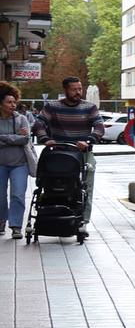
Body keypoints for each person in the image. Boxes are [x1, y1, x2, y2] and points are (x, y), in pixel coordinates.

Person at [33, 76, 104, 228]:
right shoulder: (52, 107)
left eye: (80, 89)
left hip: (82, 151)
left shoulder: (89, 107)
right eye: (74, 89)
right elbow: (38, 123)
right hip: (57, 152)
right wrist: (45, 139)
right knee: (51, 180)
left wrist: (89, 141)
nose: (78, 92)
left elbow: (99, 126)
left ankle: (83, 220)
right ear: (65, 90)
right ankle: (50, 209)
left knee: (87, 183)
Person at [0, 83, 34, 239]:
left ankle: (16, 226)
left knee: (18, 194)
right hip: (0, 164)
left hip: (19, 164)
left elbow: (25, 139)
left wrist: (4, 138)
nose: (13, 105)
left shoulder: (21, 119)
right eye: (9, 102)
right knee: (0, 195)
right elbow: (19, 138)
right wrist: (15, 138)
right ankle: (1, 220)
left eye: (14, 102)